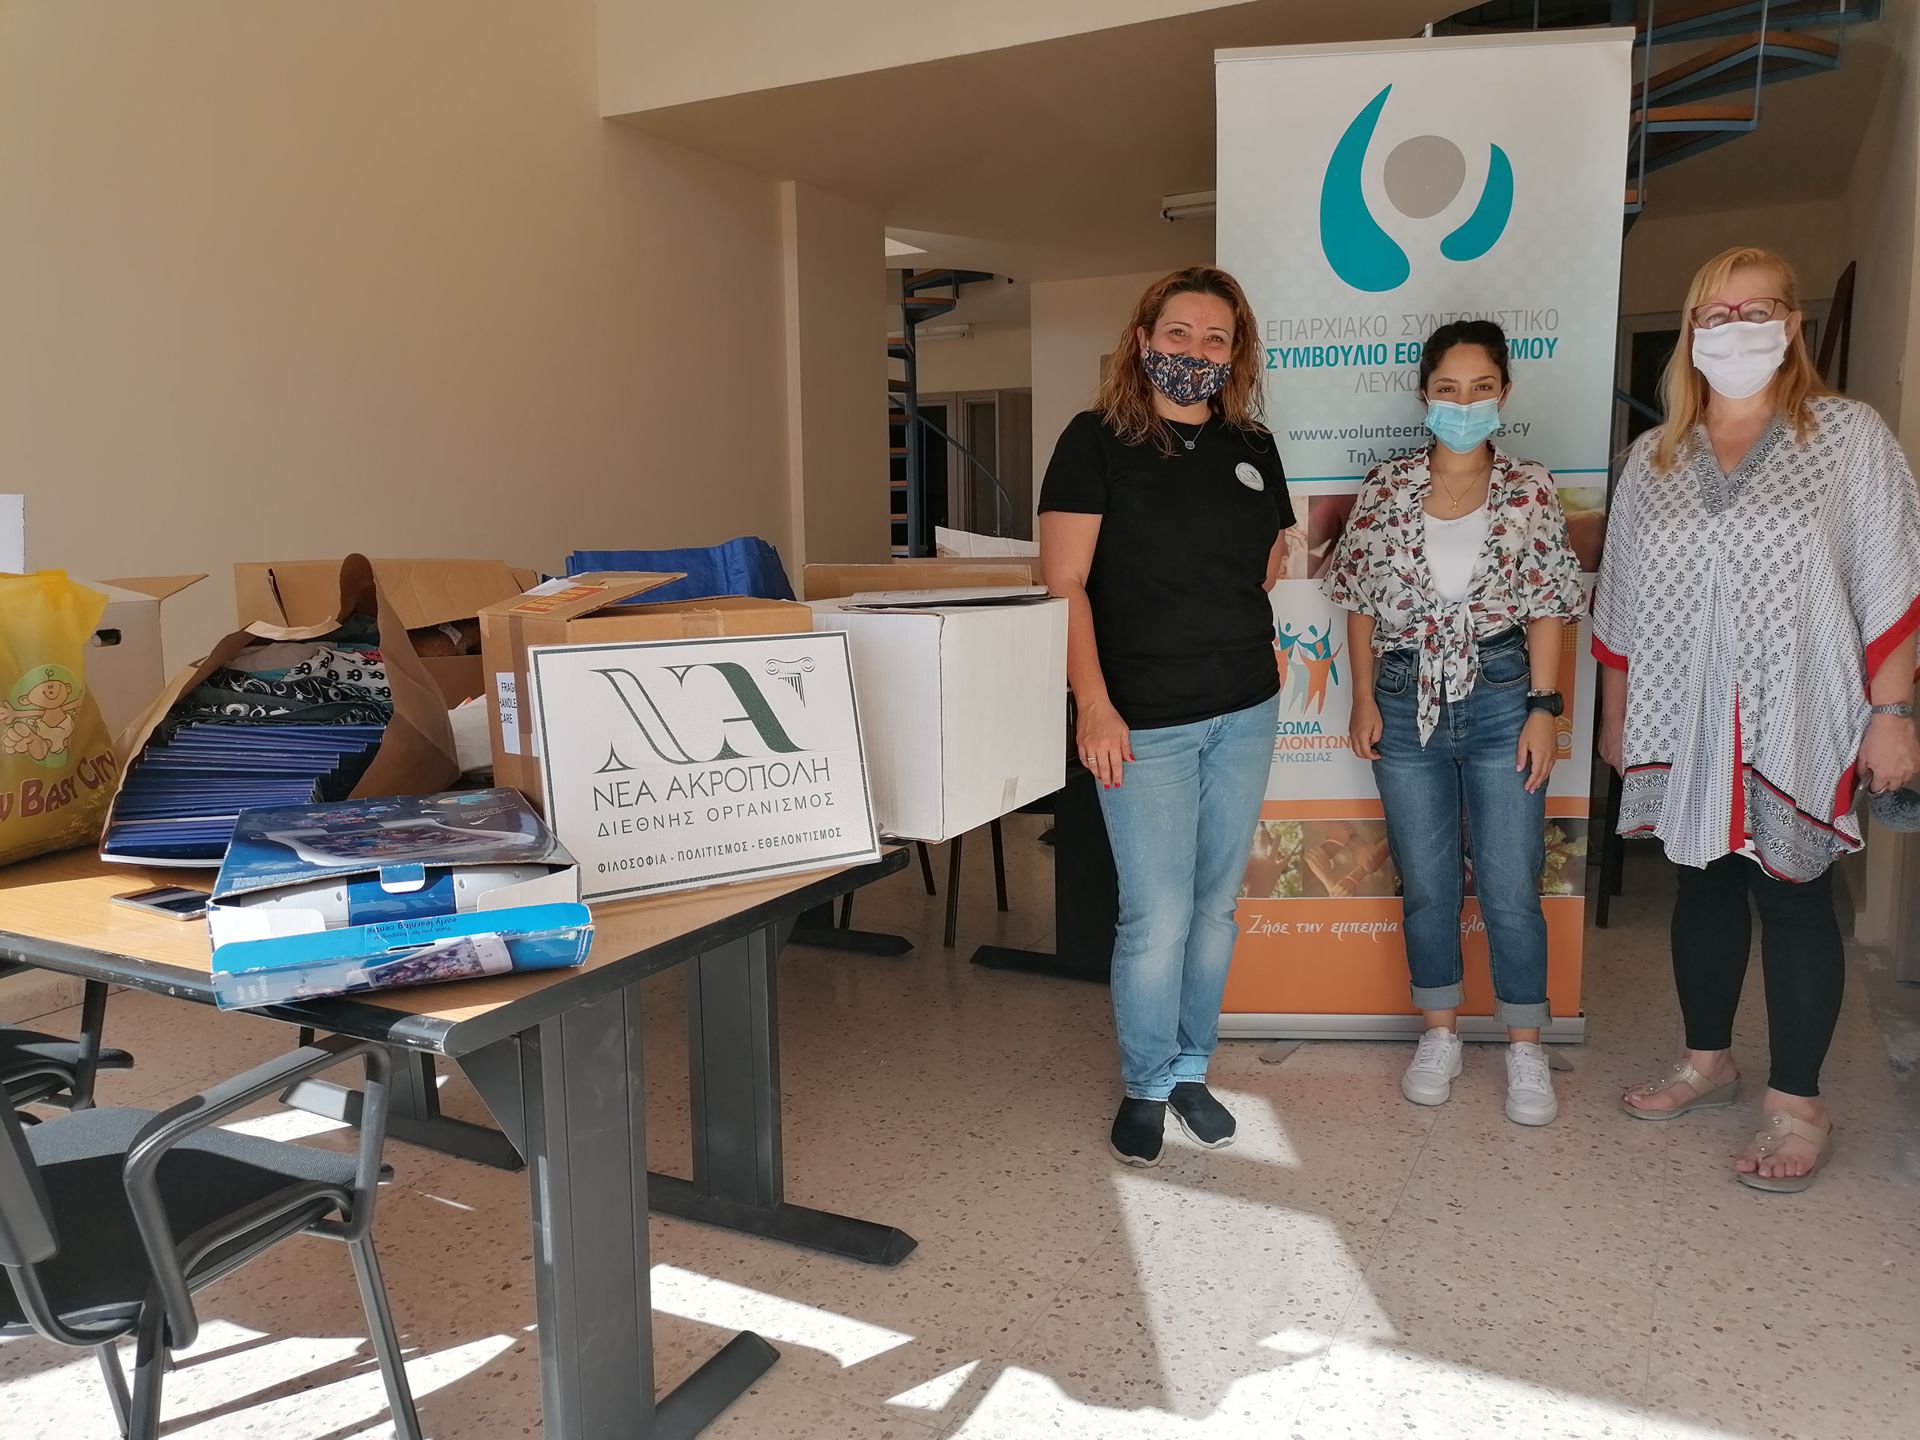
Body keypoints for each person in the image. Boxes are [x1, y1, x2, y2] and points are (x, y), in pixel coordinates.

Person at [1596, 246, 1920, 1192]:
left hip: (1801, 709)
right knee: (1698, 883)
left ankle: (1798, 1103)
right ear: (1692, 330)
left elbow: (1890, 581)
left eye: (1757, 310)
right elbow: (1620, 602)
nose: (1735, 329)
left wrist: (1893, 712)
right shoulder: (1651, 458)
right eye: (1717, 314)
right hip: (1681, 713)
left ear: (1791, 323)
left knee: (1793, 892)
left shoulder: (1847, 437)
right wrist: (1617, 718)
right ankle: (1707, 1063)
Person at [1038, 267, 1294, 1167]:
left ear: (1236, 353)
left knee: (1216, 908)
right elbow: (1063, 583)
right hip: (1142, 719)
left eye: (1216, 338)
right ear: (1144, 339)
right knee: (1156, 917)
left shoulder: (1252, 445)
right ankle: (1147, 1082)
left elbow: (1265, 563)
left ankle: (1191, 1069)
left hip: (1245, 710)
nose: (1195, 350)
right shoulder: (1095, 441)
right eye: (1178, 333)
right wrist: (1094, 706)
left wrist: (1240, 632)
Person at [1325, 320, 1586, 1125]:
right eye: (1448, 388)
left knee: (1510, 883)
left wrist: (1543, 710)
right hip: (1404, 698)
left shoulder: (1530, 488)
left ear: (1504, 393)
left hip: (1505, 692)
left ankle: (1524, 1045)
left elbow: (1549, 606)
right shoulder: (1386, 487)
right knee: (1429, 883)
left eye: (1481, 388)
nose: (1464, 403)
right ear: (1424, 396)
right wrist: (1363, 697)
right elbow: (1359, 602)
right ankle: (1439, 1032)